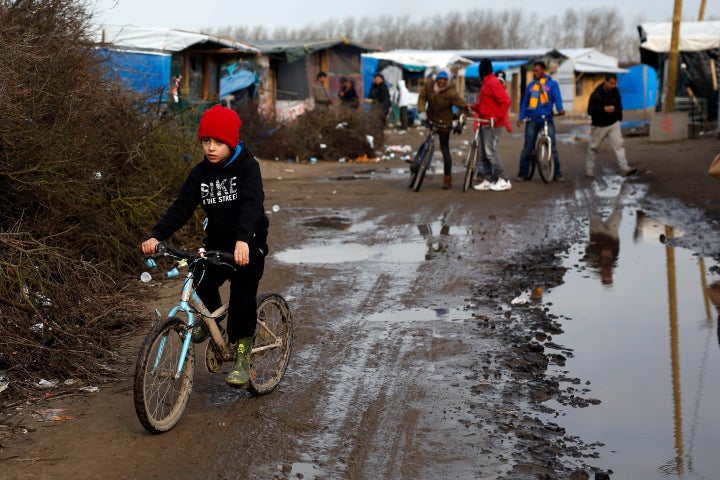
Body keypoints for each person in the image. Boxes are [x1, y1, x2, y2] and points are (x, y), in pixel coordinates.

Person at [140, 104, 269, 388]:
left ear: (231, 142)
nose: (211, 148)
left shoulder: (247, 167)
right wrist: (157, 235)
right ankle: (211, 323)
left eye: (219, 142)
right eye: (206, 141)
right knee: (200, 279)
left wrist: (244, 240)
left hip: (248, 244)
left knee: (241, 299)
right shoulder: (200, 173)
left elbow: (252, 205)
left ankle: (243, 355)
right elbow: (181, 208)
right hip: (216, 244)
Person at [417, 68, 468, 189]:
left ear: (447, 80)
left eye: (444, 79)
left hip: (445, 123)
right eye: (440, 78)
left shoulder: (451, 93)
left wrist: (460, 122)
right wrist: (422, 111)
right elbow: (422, 97)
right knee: (426, 143)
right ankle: (417, 165)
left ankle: (447, 178)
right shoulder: (429, 85)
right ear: (436, 79)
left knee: (445, 150)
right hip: (430, 119)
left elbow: (464, 107)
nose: (442, 81)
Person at [516, 61, 566, 182]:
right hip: (532, 120)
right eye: (534, 70)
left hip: (547, 119)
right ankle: (523, 173)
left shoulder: (552, 84)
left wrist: (560, 109)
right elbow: (525, 103)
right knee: (527, 147)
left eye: (537, 70)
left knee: (552, 146)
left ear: (544, 70)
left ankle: (557, 174)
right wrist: (521, 117)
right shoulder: (531, 86)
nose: (534, 72)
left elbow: (557, 98)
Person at [471, 59, 513, 192]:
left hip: (493, 124)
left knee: (490, 152)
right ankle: (488, 180)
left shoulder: (492, 83)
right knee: (484, 153)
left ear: (480, 71)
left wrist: (495, 118)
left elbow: (506, 101)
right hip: (485, 123)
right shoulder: (486, 84)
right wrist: (472, 107)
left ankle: (504, 179)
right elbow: (485, 106)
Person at [586, 73, 637, 178]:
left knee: (619, 145)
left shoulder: (616, 92)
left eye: (615, 83)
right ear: (606, 82)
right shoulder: (596, 94)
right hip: (599, 126)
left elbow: (619, 106)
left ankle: (625, 168)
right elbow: (590, 110)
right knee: (593, 147)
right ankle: (589, 170)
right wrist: (603, 110)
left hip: (613, 124)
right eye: (611, 83)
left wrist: (618, 119)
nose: (613, 86)